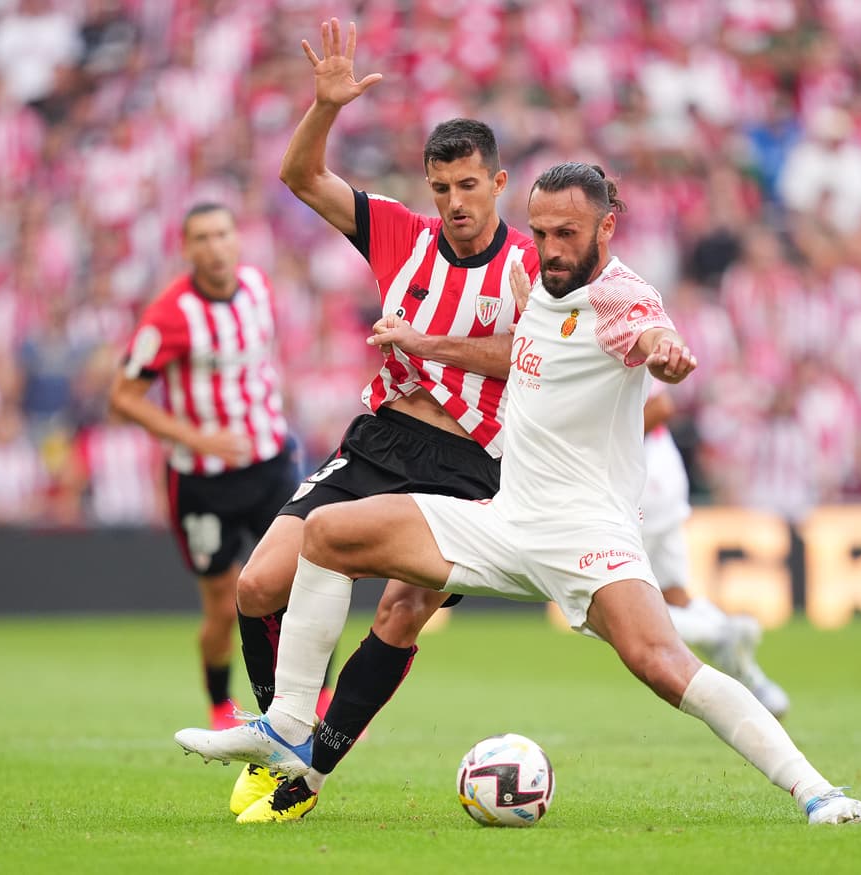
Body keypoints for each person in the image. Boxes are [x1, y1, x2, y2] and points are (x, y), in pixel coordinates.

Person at [176, 162, 861, 827]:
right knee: (329, 533)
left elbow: (650, 333)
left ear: (606, 229)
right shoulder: (532, 279)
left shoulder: (623, 298)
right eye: (539, 231)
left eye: (566, 233)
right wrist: (423, 341)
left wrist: (666, 351)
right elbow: (514, 341)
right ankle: (290, 728)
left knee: (663, 664)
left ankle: (816, 790)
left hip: (585, 533)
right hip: (504, 517)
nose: (549, 247)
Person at [224, 18, 539, 817]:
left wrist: (430, 340)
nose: (456, 203)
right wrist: (325, 106)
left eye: (470, 186)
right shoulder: (401, 231)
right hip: (380, 440)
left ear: (498, 183)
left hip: (472, 461)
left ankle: (307, 778)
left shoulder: (528, 264)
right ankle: (280, 734)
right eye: (443, 188)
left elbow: (530, 360)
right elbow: (301, 175)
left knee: (401, 610)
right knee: (257, 585)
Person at [109, 202, 302, 731]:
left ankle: (316, 701)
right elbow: (123, 397)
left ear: (237, 240)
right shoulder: (170, 314)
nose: (215, 246)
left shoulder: (259, 288)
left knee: (296, 587)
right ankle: (221, 706)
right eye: (202, 238)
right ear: (187, 248)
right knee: (223, 604)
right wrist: (200, 438)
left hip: (270, 466)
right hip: (201, 480)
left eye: (222, 234)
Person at [642, 385, 790, 719]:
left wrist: (597, 447)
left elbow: (660, 405)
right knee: (674, 597)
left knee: (607, 604)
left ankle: (719, 631)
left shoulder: (602, 332)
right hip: (659, 470)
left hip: (637, 473)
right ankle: (754, 684)